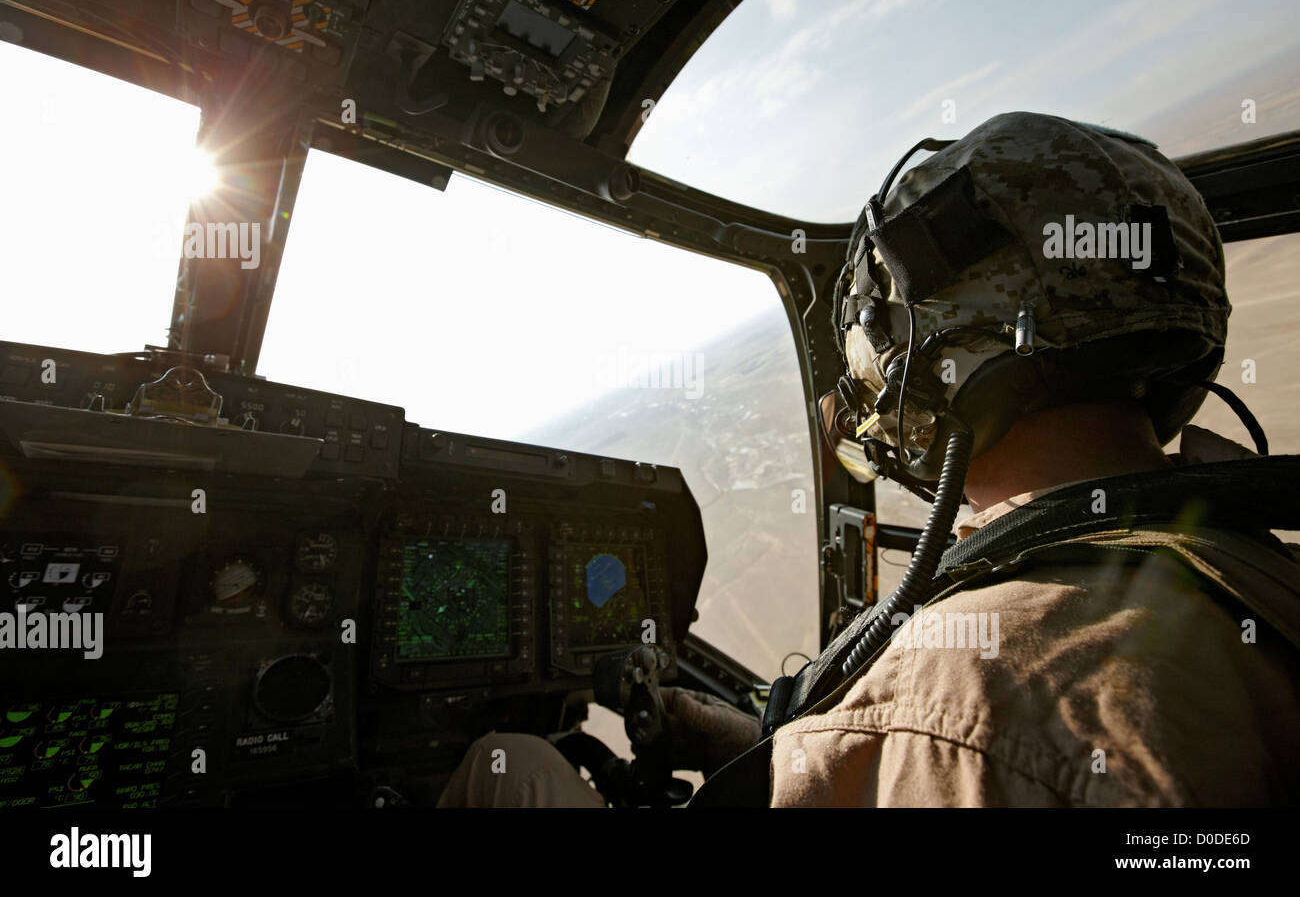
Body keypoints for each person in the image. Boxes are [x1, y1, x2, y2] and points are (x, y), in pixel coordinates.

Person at [440, 111, 1300, 807]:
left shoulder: (974, 692)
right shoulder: (1232, 564)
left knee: (502, 765)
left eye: (869, 325)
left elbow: (934, 739)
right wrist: (741, 741)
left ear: (934, 346)